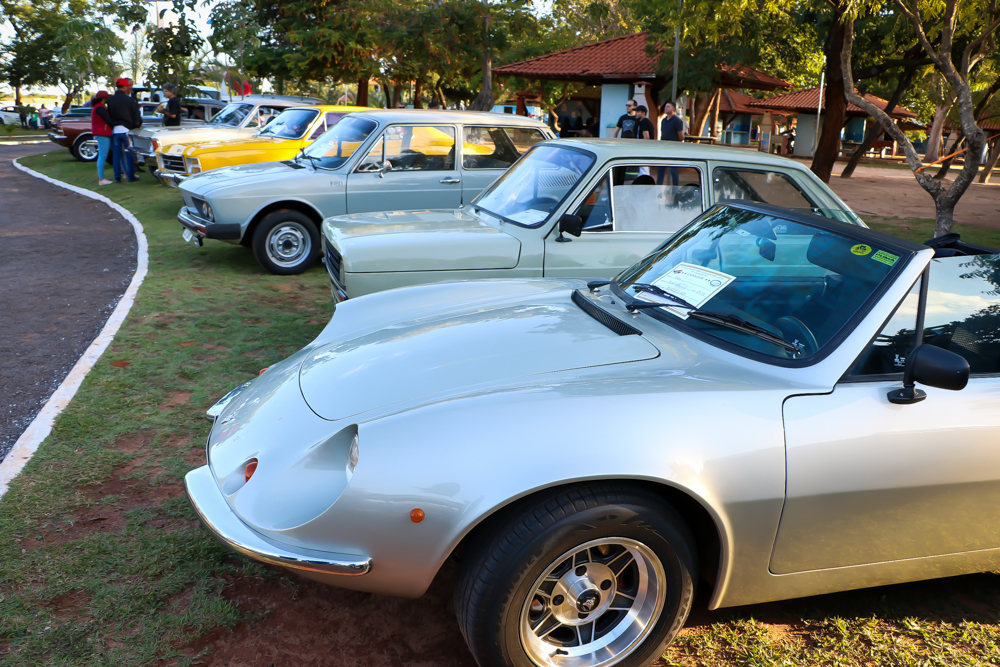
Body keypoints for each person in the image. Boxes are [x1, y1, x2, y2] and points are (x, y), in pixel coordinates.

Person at [106, 77, 142, 182]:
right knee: (129, 153)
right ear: (125, 86)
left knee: (116, 155)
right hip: (127, 130)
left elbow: (109, 114)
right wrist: (136, 126)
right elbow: (136, 116)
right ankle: (131, 176)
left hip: (115, 130)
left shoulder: (110, 100)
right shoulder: (130, 100)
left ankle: (117, 176)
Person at [658, 101, 685, 186]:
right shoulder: (663, 121)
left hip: (672, 149)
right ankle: (658, 187)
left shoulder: (677, 121)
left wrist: (675, 145)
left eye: (668, 106)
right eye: (665, 106)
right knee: (660, 169)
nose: (666, 108)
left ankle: (675, 188)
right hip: (663, 148)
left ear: (673, 109)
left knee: (673, 170)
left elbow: (681, 136)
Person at [91, 91, 114, 186]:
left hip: (102, 133)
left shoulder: (97, 107)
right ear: (104, 99)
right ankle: (101, 179)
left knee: (105, 155)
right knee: (102, 156)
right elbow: (109, 121)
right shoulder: (100, 108)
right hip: (102, 134)